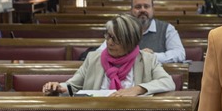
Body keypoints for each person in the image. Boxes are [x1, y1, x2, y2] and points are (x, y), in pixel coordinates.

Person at [42, 14, 175, 97]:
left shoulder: (147, 60)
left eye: (116, 39)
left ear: (130, 42)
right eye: (108, 36)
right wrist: (58, 87)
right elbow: (74, 86)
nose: (109, 42)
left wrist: (138, 89)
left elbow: (168, 82)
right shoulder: (93, 58)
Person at [93, 0, 185, 63]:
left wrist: (151, 56)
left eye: (146, 6)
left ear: (153, 9)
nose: (142, 10)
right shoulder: (121, 28)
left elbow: (180, 54)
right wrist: (132, 56)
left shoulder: (167, 29)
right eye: (138, 7)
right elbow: (99, 53)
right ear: (131, 10)